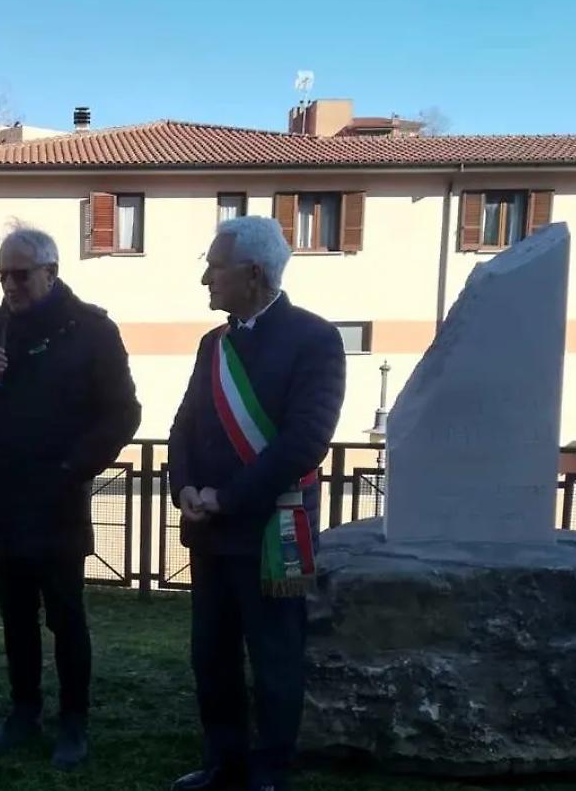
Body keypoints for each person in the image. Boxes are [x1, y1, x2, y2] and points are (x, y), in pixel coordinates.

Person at [0, 226, 141, 770]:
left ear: (50, 272)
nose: (10, 283)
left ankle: (73, 721)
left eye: (20, 274)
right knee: (16, 615)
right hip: (1, 495)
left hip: (57, 497)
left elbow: (124, 412)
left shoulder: (92, 330)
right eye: (2, 274)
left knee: (66, 615)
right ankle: (23, 711)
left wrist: (74, 468)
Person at [168, 217, 346, 791]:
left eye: (214, 267)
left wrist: (228, 497)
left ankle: (268, 771)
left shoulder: (315, 338)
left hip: (272, 531)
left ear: (252, 273)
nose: (204, 279)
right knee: (211, 656)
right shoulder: (213, 345)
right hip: (211, 530)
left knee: (274, 659)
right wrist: (186, 489)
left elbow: (305, 440)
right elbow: (184, 426)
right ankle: (223, 761)